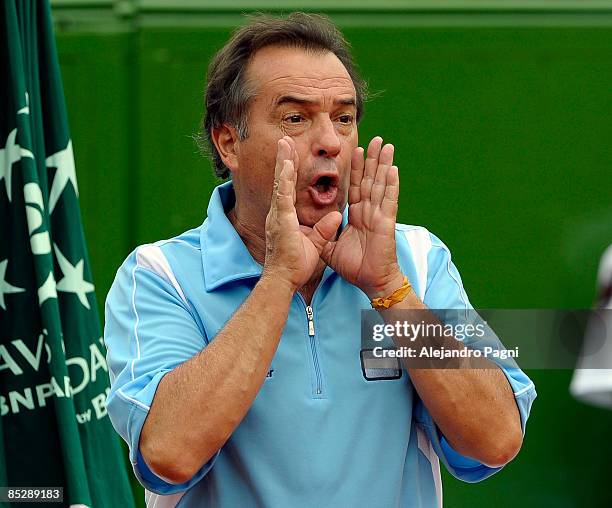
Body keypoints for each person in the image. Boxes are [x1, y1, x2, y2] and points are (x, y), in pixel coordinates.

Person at [104, 12, 536, 507]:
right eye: (296, 117)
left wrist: (390, 289)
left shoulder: (415, 258)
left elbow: (496, 440)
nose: (330, 141)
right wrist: (279, 279)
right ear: (229, 143)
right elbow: (169, 454)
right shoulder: (160, 276)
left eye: (344, 118)